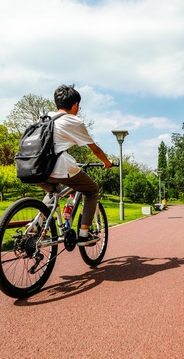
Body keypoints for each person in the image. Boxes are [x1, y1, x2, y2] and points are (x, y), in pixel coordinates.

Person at [36, 84, 112, 246]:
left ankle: (36, 225)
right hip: (58, 168)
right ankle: (84, 234)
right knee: (91, 190)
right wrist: (107, 163)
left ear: (56, 104)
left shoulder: (44, 119)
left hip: (35, 167)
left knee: (53, 192)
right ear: (75, 105)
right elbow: (95, 149)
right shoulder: (73, 121)